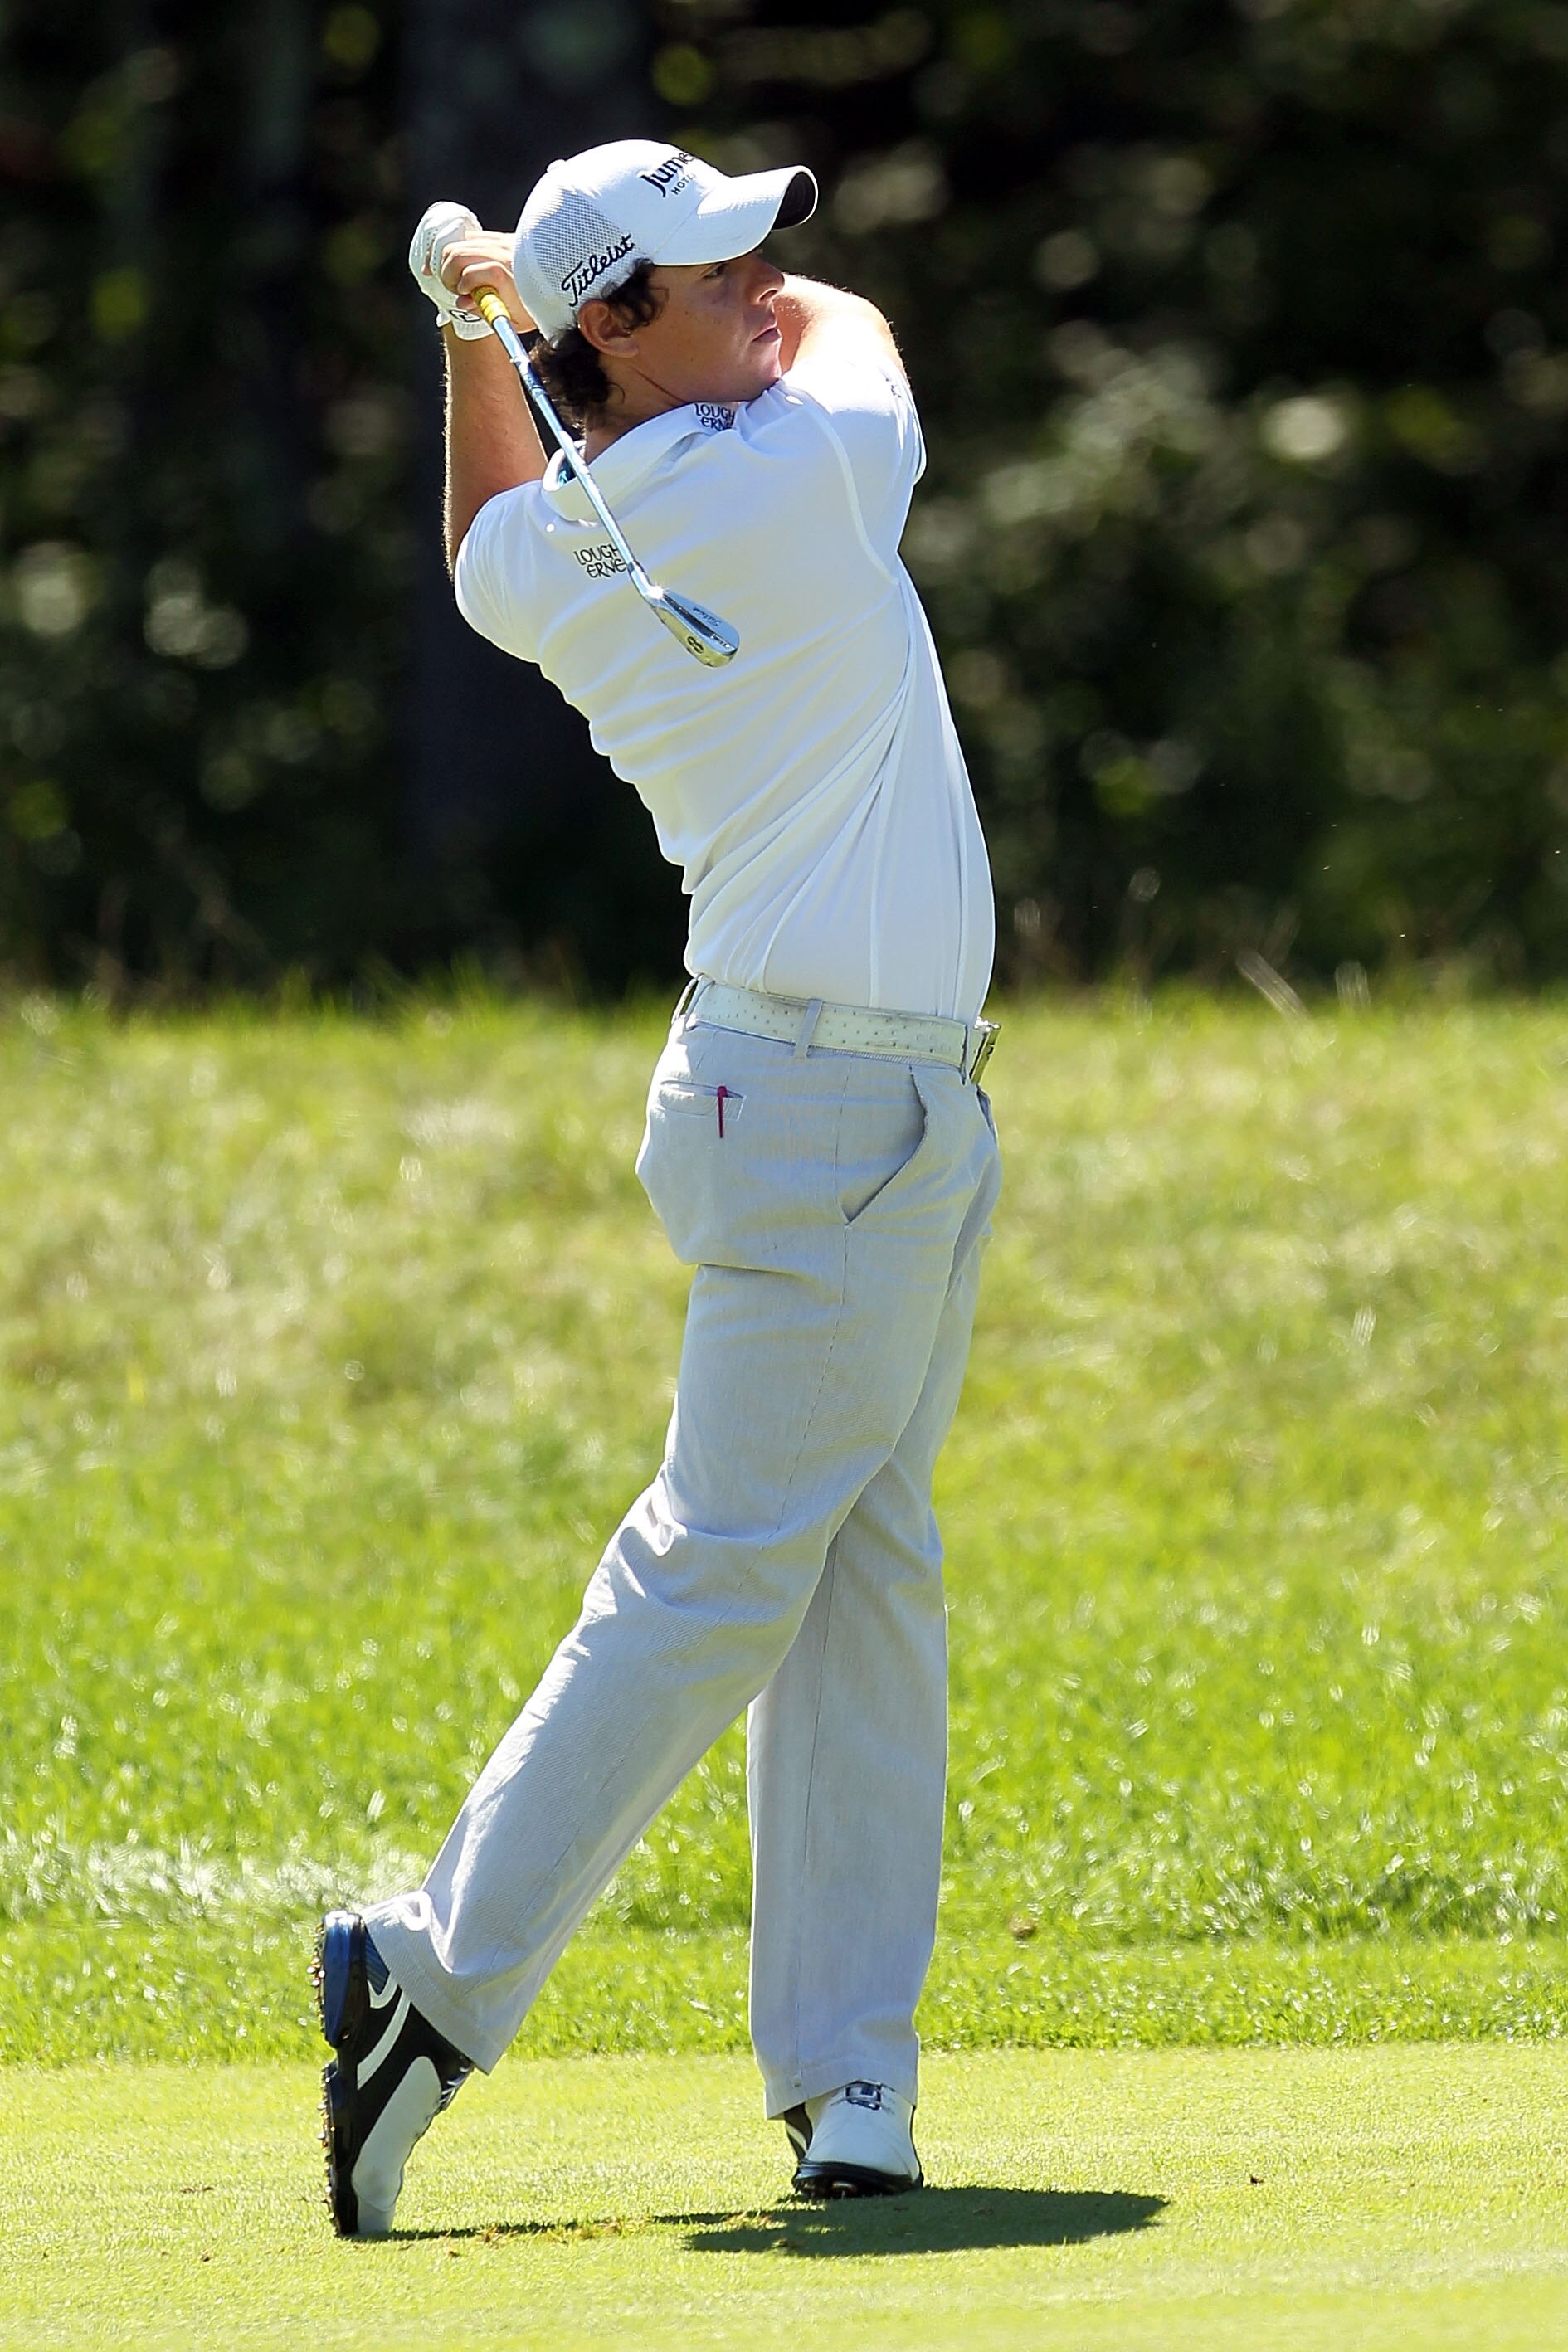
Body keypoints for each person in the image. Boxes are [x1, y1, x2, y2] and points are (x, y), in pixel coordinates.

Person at [314, 139, 1001, 2238]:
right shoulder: (801, 469)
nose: (771, 291)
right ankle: (425, 1974)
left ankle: (851, 2069)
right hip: (833, 1110)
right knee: (724, 1568)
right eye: (718, 273)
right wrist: (526, 295)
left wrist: (473, 314)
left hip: (818, 1099)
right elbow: (870, 332)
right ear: (620, 328)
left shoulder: (575, 544)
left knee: (859, 1559)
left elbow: (484, 537)